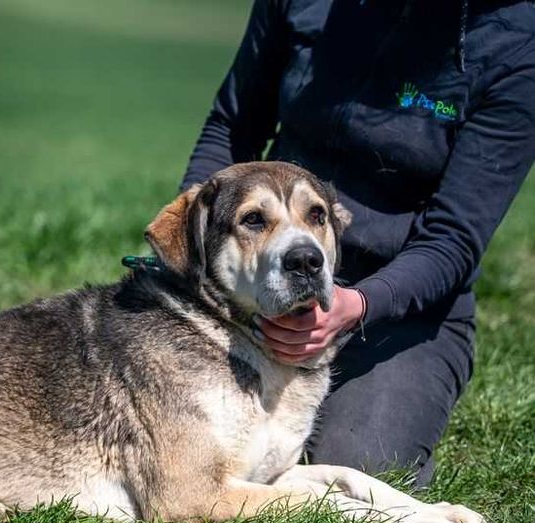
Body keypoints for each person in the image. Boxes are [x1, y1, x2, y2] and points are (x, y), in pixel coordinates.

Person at [182, 0, 535, 485]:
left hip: (401, 308)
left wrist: (356, 304)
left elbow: (452, 240)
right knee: (195, 440)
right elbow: (233, 125)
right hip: (260, 274)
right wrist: (189, 242)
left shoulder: (519, 46)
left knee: (363, 467)